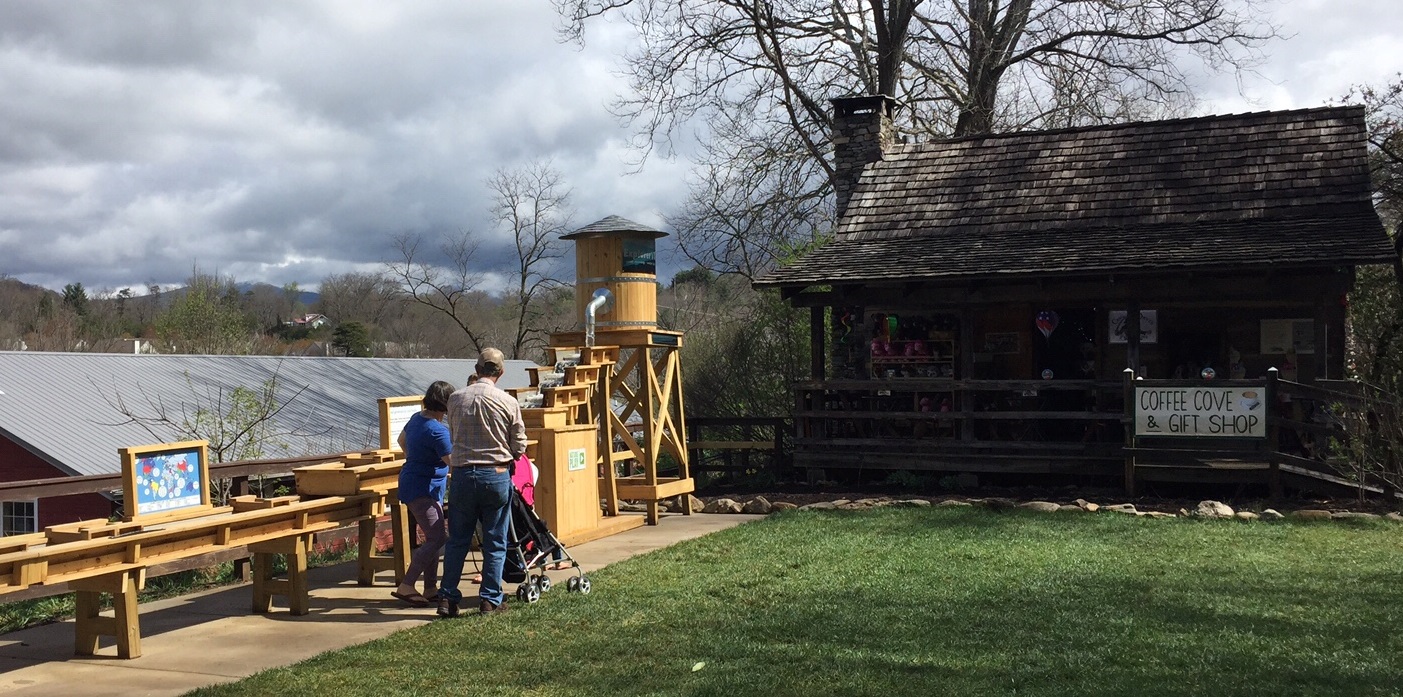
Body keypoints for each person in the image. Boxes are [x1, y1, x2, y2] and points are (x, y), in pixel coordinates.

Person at [437, 348, 527, 617]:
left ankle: (447, 598)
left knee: (457, 541)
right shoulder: (508, 401)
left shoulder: (454, 399)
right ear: (500, 372)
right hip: (495, 474)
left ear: (476, 369)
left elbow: (452, 435)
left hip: (463, 474)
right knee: (495, 540)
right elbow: (519, 445)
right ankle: (490, 598)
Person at [390, 380, 455, 608]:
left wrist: (417, 460)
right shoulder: (438, 431)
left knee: (432, 537)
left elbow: (401, 441)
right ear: (446, 405)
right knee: (438, 538)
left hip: (412, 482)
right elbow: (453, 463)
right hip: (422, 489)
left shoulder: (417, 419)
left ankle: (430, 588)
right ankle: (407, 585)